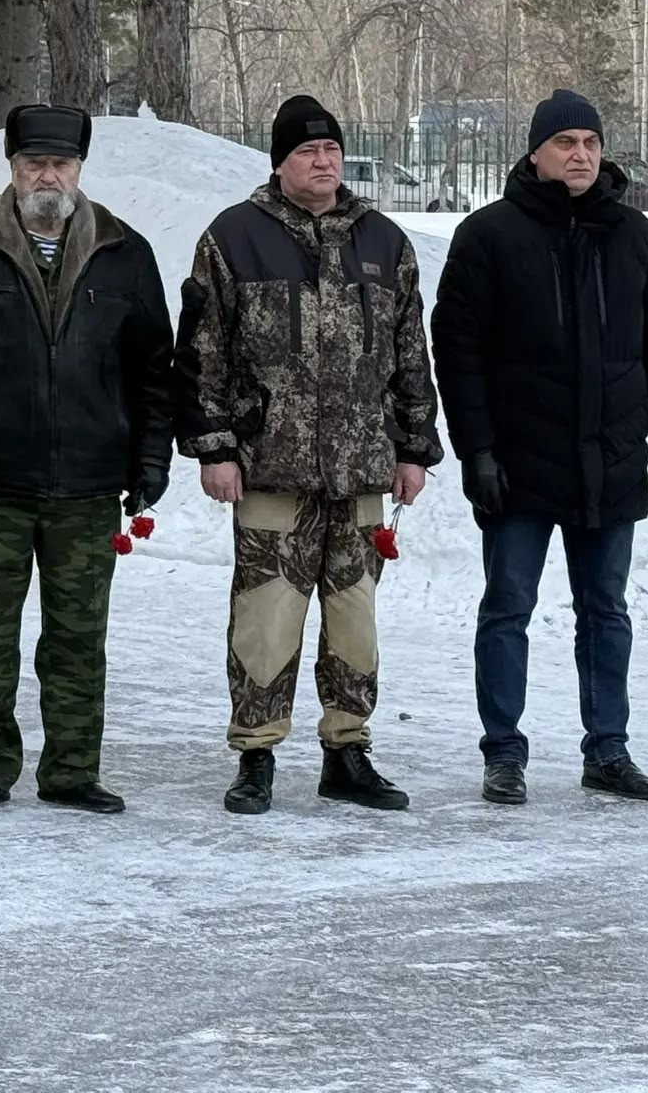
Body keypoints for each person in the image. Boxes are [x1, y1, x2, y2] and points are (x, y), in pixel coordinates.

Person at [0, 104, 172, 816]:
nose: (46, 176)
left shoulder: (124, 252)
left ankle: (73, 770)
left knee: (79, 639)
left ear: (79, 170)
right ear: (11, 170)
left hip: (87, 483)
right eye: (32, 165)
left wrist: (149, 459)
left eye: (59, 164)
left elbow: (153, 371)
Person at [431, 88, 648, 806]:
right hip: (518, 462)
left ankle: (607, 750)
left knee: (606, 609)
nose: (579, 154)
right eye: (565, 143)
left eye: (589, 142)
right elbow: (457, 351)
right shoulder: (489, 235)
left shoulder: (635, 236)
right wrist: (477, 451)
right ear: (535, 152)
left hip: (611, 457)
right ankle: (503, 752)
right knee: (509, 605)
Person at [173, 95, 442, 815]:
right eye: (306, 152)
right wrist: (213, 448)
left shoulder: (384, 242)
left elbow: (410, 355)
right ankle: (255, 753)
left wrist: (414, 446)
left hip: (360, 469)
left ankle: (347, 751)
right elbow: (202, 354)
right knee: (266, 617)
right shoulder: (233, 238)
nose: (323, 162)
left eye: (331, 151)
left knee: (354, 616)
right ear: (279, 162)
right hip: (270, 467)